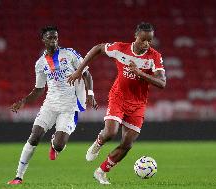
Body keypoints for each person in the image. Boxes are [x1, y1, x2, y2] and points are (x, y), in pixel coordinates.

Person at [68, 22, 166, 185]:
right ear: (136, 36)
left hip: (138, 104)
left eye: (150, 41)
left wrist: (139, 73)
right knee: (111, 133)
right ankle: (98, 142)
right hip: (118, 97)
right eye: (143, 40)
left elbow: (162, 83)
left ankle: (101, 172)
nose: (146, 44)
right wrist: (79, 70)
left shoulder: (154, 56)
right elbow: (98, 48)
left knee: (127, 144)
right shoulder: (120, 48)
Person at [7, 26, 98, 185]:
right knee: (34, 137)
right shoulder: (40, 63)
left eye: (55, 37)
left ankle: (54, 143)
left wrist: (90, 94)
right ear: (43, 40)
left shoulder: (70, 54)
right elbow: (39, 89)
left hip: (69, 107)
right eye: (50, 38)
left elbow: (87, 74)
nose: (54, 41)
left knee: (59, 145)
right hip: (50, 105)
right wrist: (23, 101)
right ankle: (18, 176)